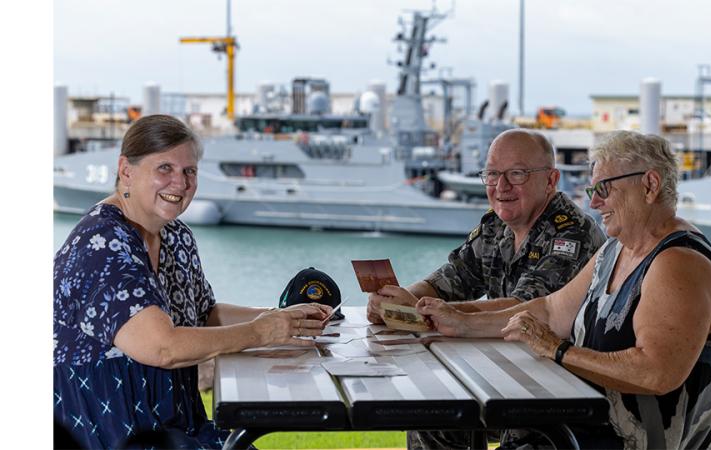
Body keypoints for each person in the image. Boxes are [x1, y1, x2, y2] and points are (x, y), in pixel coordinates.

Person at [421, 130, 711, 449]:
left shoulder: (679, 262)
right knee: (439, 420)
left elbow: (655, 373)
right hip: (580, 429)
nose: (594, 201)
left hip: (621, 441)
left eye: (604, 188)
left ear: (649, 185)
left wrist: (558, 350)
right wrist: (460, 321)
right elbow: (550, 310)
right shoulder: (615, 250)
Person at [53, 115, 331, 449]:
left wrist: (287, 318)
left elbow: (205, 314)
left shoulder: (176, 237)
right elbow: (162, 347)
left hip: (179, 426)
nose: (180, 184)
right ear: (126, 170)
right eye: (164, 168)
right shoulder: (101, 244)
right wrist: (263, 331)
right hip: (114, 434)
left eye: (190, 171)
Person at [367, 129, 606, 449]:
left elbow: (528, 308)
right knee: (434, 415)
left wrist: (432, 312)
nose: (501, 186)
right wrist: (398, 301)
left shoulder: (571, 233)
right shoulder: (495, 227)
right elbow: (449, 279)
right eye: (492, 174)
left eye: (516, 174)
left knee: (515, 435)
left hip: (562, 390)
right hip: (509, 375)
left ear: (551, 180)